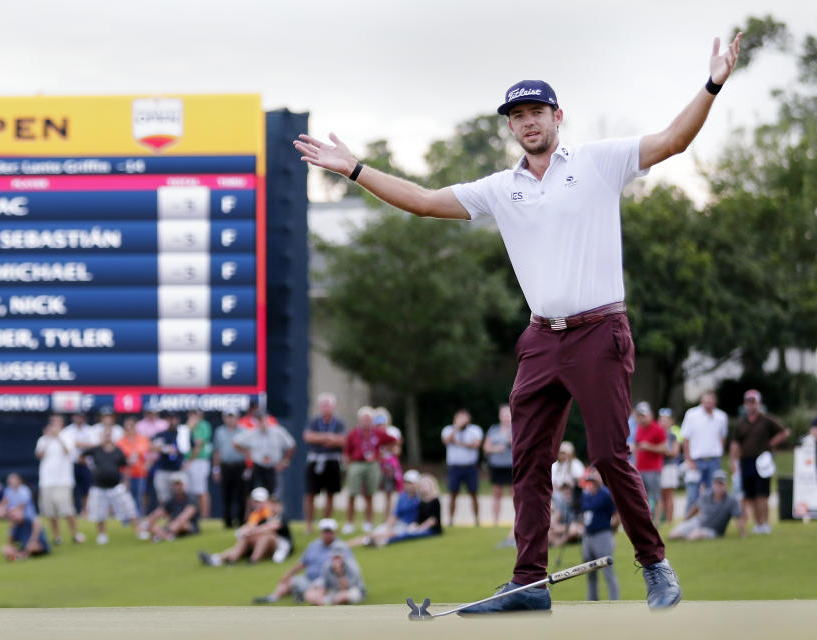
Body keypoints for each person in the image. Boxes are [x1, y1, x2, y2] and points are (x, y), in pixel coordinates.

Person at [293, 32, 744, 612]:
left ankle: (654, 564)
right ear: (510, 127)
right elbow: (424, 200)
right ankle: (530, 582)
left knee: (608, 454)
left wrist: (712, 83)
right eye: (518, 115)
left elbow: (675, 141)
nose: (529, 122)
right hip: (540, 339)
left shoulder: (598, 161)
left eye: (537, 112)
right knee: (527, 460)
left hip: (599, 332)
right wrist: (355, 168)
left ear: (558, 116)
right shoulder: (501, 189)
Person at [730, 389, 790, 535]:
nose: (751, 405)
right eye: (748, 402)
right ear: (745, 404)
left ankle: (765, 523)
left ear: (758, 403)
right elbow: (735, 443)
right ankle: (757, 523)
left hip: (762, 461)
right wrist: (733, 460)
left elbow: (784, 432)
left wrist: (771, 444)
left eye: (753, 402)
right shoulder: (741, 423)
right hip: (746, 461)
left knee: (762, 494)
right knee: (750, 495)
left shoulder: (766, 420)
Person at [252, 518, 353, 604]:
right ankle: (273, 597)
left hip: (328, 581)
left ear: (334, 532)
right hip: (309, 579)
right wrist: (288, 574)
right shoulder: (313, 545)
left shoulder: (340, 547)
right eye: (325, 531)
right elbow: (302, 563)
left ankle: (306, 596)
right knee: (289, 581)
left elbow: (347, 567)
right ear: (321, 532)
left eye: (329, 531)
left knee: (318, 589)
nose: (327, 534)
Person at [198, 487, 291, 566]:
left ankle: (253, 560)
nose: (258, 504)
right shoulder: (257, 515)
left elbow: (272, 528)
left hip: (279, 545)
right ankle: (223, 559)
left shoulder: (279, 516)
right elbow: (250, 526)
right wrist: (244, 532)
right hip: (260, 543)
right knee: (246, 538)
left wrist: (251, 532)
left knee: (264, 536)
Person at [342, 406, 398, 534]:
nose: (366, 422)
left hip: (372, 464)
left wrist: (382, 454)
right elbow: (346, 452)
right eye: (364, 419)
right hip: (356, 463)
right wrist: (348, 465)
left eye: (368, 420)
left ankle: (368, 522)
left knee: (369, 494)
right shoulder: (354, 433)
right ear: (359, 420)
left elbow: (394, 441)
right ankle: (350, 523)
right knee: (352, 494)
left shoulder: (377, 433)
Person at [82, 424, 140, 545]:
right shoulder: (95, 449)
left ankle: (139, 531)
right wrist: (90, 466)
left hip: (116, 486)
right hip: (99, 486)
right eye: (105, 435)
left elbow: (125, 466)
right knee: (99, 513)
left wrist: (126, 481)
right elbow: (82, 456)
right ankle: (102, 535)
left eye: (109, 435)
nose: (107, 437)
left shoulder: (118, 450)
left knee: (129, 508)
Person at [35, 413, 84, 544]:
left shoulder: (67, 437)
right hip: (46, 481)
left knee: (68, 510)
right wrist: (48, 439)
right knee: (51, 512)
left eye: (57, 422)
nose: (55, 425)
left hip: (63, 481)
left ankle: (75, 534)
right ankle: (57, 537)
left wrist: (58, 437)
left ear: (62, 424)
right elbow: (39, 455)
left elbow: (68, 452)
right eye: (53, 422)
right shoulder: (43, 439)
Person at [303, 392, 346, 533]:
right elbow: (308, 437)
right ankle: (309, 525)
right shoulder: (314, 421)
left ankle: (326, 524)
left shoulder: (338, 423)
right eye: (324, 405)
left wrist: (323, 439)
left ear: (333, 407)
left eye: (329, 405)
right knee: (310, 494)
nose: (326, 408)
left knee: (330, 494)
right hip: (315, 460)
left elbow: (342, 440)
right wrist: (328, 438)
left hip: (332, 461)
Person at [681, 390, 728, 511]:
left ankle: (710, 520)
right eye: (705, 401)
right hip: (696, 460)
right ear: (701, 401)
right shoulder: (692, 414)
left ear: (715, 402)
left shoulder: (721, 417)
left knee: (712, 493)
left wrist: (719, 454)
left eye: (710, 401)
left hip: (713, 460)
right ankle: (689, 522)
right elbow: (686, 439)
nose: (708, 403)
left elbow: (722, 438)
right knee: (693, 493)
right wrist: (689, 459)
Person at [349, 468, 422, 547]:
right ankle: (346, 545)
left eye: (411, 483)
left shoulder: (420, 498)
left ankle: (374, 542)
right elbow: (395, 514)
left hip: (407, 527)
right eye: (408, 483)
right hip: (397, 524)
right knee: (372, 535)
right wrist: (389, 527)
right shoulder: (403, 496)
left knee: (379, 536)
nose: (409, 485)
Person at [232, 410, 296, 495]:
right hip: (258, 466)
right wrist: (247, 453)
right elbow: (235, 442)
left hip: (273, 467)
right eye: (259, 420)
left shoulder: (278, 431)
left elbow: (291, 445)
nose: (262, 423)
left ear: (267, 419)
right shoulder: (252, 433)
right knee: (254, 494)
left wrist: (285, 461)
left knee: (274, 495)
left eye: (263, 420)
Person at [669, 470, 745, 540]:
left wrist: (742, 534)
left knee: (694, 536)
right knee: (673, 535)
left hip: (713, 529)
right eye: (717, 483)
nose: (719, 486)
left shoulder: (731, 500)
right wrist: (685, 520)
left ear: (726, 485)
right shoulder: (706, 495)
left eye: (721, 484)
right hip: (698, 522)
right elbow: (695, 508)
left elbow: (739, 517)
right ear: (713, 484)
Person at [580, 468, 619, 601]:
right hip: (588, 535)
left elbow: (616, 515)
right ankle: (591, 599)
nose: (592, 483)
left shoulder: (606, 494)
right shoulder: (586, 494)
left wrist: (611, 532)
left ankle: (614, 600)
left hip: (603, 534)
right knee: (589, 571)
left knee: (607, 570)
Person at [441, 409, 483, 527]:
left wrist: (458, 443)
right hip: (455, 467)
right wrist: (457, 427)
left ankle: (476, 519)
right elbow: (446, 440)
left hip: (470, 467)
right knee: (453, 494)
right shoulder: (448, 429)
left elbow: (476, 444)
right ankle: (451, 520)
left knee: (473, 493)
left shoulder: (474, 430)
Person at [213, 409, 249, 528]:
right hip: (225, 466)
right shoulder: (220, 432)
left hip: (240, 466)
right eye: (228, 417)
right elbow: (217, 452)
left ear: (237, 418)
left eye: (232, 417)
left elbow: (248, 450)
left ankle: (241, 520)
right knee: (226, 495)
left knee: (241, 495)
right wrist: (216, 469)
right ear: (224, 418)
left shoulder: (243, 431)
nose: (230, 419)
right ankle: (227, 522)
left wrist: (248, 467)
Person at [140, 471, 199, 541]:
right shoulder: (171, 500)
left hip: (187, 526)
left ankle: (163, 535)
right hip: (171, 526)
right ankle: (167, 536)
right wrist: (146, 524)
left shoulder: (191, 499)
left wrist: (173, 525)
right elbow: (158, 513)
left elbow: (185, 516)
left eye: (179, 484)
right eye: (175, 485)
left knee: (183, 524)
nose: (178, 487)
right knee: (152, 527)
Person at [632, 401, 666, 517]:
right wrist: (635, 465)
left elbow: (664, 448)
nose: (642, 419)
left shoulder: (658, 429)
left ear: (650, 415)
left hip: (654, 469)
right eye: (639, 416)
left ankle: (657, 521)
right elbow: (637, 448)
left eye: (644, 416)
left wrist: (649, 447)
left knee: (656, 496)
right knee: (642, 496)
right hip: (641, 468)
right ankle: (646, 519)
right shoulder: (639, 429)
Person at [151, 412, 191, 507]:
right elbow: (152, 447)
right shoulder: (161, 434)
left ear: (177, 420)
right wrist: (165, 449)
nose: (172, 421)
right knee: (163, 498)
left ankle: (179, 518)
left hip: (178, 470)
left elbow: (195, 446)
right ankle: (165, 518)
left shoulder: (183, 434)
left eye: (174, 418)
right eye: (169, 419)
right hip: (163, 469)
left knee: (180, 496)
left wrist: (189, 461)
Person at [484, 404, 514, 526]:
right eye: (503, 414)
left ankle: (516, 521)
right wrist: (497, 449)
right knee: (497, 494)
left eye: (508, 414)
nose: (506, 417)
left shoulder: (516, 428)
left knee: (514, 494)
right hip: (496, 466)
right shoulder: (493, 429)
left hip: (511, 466)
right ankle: (495, 521)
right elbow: (486, 447)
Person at [117, 415, 152, 516]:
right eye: (127, 426)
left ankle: (139, 517)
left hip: (140, 472)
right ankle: (126, 518)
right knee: (125, 497)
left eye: (131, 425)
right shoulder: (121, 441)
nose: (129, 428)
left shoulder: (142, 439)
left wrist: (147, 465)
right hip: (125, 473)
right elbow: (118, 457)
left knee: (139, 497)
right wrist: (127, 460)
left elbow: (148, 454)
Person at [374, 407, 403, 524]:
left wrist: (387, 447)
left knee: (389, 492)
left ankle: (388, 518)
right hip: (376, 464)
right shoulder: (372, 433)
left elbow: (397, 450)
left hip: (389, 464)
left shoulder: (393, 432)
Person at [63, 411, 96, 514]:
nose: (79, 419)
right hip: (71, 464)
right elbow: (68, 447)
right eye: (77, 416)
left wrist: (78, 444)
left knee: (86, 490)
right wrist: (81, 447)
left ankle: (85, 510)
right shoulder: (67, 431)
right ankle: (70, 510)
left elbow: (94, 445)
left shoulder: (90, 430)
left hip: (86, 465)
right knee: (70, 489)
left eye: (81, 416)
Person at [185, 409, 214, 519]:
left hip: (199, 461)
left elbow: (198, 443)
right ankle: (191, 515)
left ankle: (204, 516)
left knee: (201, 490)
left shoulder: (204, 426)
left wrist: (190, 461)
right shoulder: (186, 427)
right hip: (188, 460)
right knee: (190, 490)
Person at [656, 408, 682, 523]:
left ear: (671, 422)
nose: (663, 422)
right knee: (659, 496)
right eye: (661, 420)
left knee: (668, 495)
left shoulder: (672, 436)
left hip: (669, 467)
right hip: (657, 467)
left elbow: (675, 452)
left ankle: (668, 520)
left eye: (666, 420)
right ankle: (660, 519)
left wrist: (661, 450)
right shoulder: (656, 434)